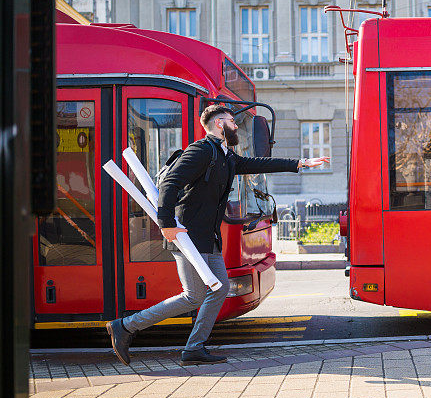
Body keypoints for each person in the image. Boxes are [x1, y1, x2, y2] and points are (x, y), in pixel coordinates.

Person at [106, 104, 329, 366]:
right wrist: (166, 224)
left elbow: (256, 163)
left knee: (220, 288)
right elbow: (170, 182)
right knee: (193, 296)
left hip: (207, 238)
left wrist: (299, 163)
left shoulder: (224, 155)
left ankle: (194, 348)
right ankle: (126, 326)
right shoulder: (201, 150)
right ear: (219, 124)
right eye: (233, 122)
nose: (236, 126)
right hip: (186, 236)